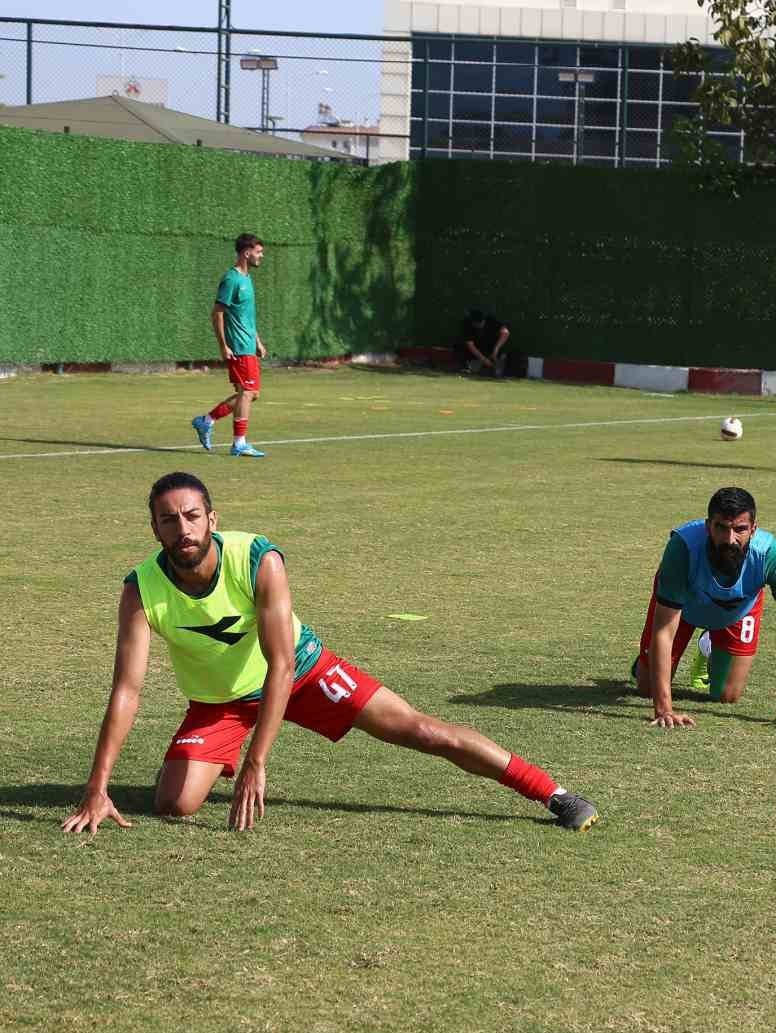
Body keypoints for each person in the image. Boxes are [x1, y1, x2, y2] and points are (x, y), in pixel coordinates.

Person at [61, 472, 598, 835]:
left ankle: (552, 793)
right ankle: (215, 754)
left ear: (212, 518)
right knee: (173, 804)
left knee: (421, 730)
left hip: (302, 673)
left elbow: (280, 664)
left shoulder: (257, 559)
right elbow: (127, 690)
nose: (183, 529)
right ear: (154, 529)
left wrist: (257, 762)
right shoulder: (141, 588)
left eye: (192, 515)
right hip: (220, 701)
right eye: (169, 520)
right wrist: (96, 788)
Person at [630, 486, 776, 729]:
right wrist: (664, 710)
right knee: (648, 688)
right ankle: (645, 663)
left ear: (753, 529)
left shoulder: (770, 556)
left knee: (727, 696)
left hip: (738, 609)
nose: (730, 538)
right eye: (721, 527)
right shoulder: (682, 548)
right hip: (682, 609)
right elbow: (663, 631)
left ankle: (708, 647)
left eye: (740, 529)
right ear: (708, 526)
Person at [191, 233, 269, 458]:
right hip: (238, 346)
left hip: (248, 344)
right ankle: (239, 443)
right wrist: (223, 345)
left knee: (251, 393)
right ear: (247, 253)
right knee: (248, 392)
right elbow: (217, 313)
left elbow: (246, 316)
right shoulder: (231, 279)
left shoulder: (247, 279)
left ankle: (206, 420)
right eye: (258, 252)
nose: (261, 256)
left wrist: (257, 341)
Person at [456, 309, 511, 376]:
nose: (480, 325)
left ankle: (497, 368)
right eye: (477, 324)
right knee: (460, 346)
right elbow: (471, 346)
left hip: (491, 347)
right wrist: (484, 360)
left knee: (499, 355)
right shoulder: (467, 325)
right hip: (477, 349)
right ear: (473, 323)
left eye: (482, 323)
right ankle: (466, 367)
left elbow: (505, 332)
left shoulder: (491, 320)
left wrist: (496, 349)